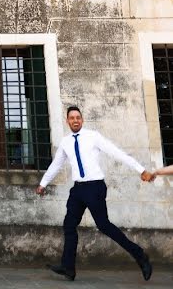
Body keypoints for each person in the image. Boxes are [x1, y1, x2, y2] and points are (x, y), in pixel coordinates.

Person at [36, 106, 153, 282]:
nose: (75, 120)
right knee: (69, 225)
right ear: (67, 121)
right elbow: (56, 165)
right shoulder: (66, 142)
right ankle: (68, 267)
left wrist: (140, 169)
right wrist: (43, 183)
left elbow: (116, 153)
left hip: (95, 187)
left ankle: (141, 256)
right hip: (78, 189)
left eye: (78, 117)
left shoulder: (93, 137)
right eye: (72, 118)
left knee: (104, 225)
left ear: (82, 120)